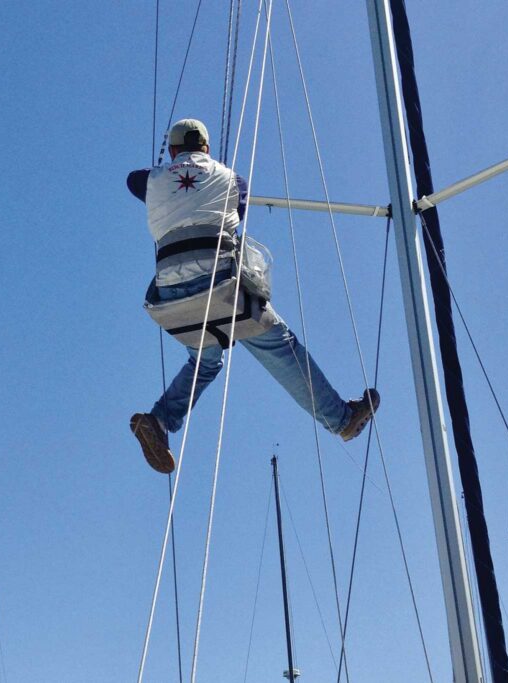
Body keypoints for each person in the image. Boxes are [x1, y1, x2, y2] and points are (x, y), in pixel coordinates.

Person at [127, 118, 380, 474]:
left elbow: (133, 181)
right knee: (281, 345)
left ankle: (159, 421)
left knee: (206, 361)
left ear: (172, 150)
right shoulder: (233, 180)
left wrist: (169, 175)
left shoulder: (149, 180)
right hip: (220, 289)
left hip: (170, 297)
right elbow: (238, 212)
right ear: (206, 148)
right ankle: (342, 420)